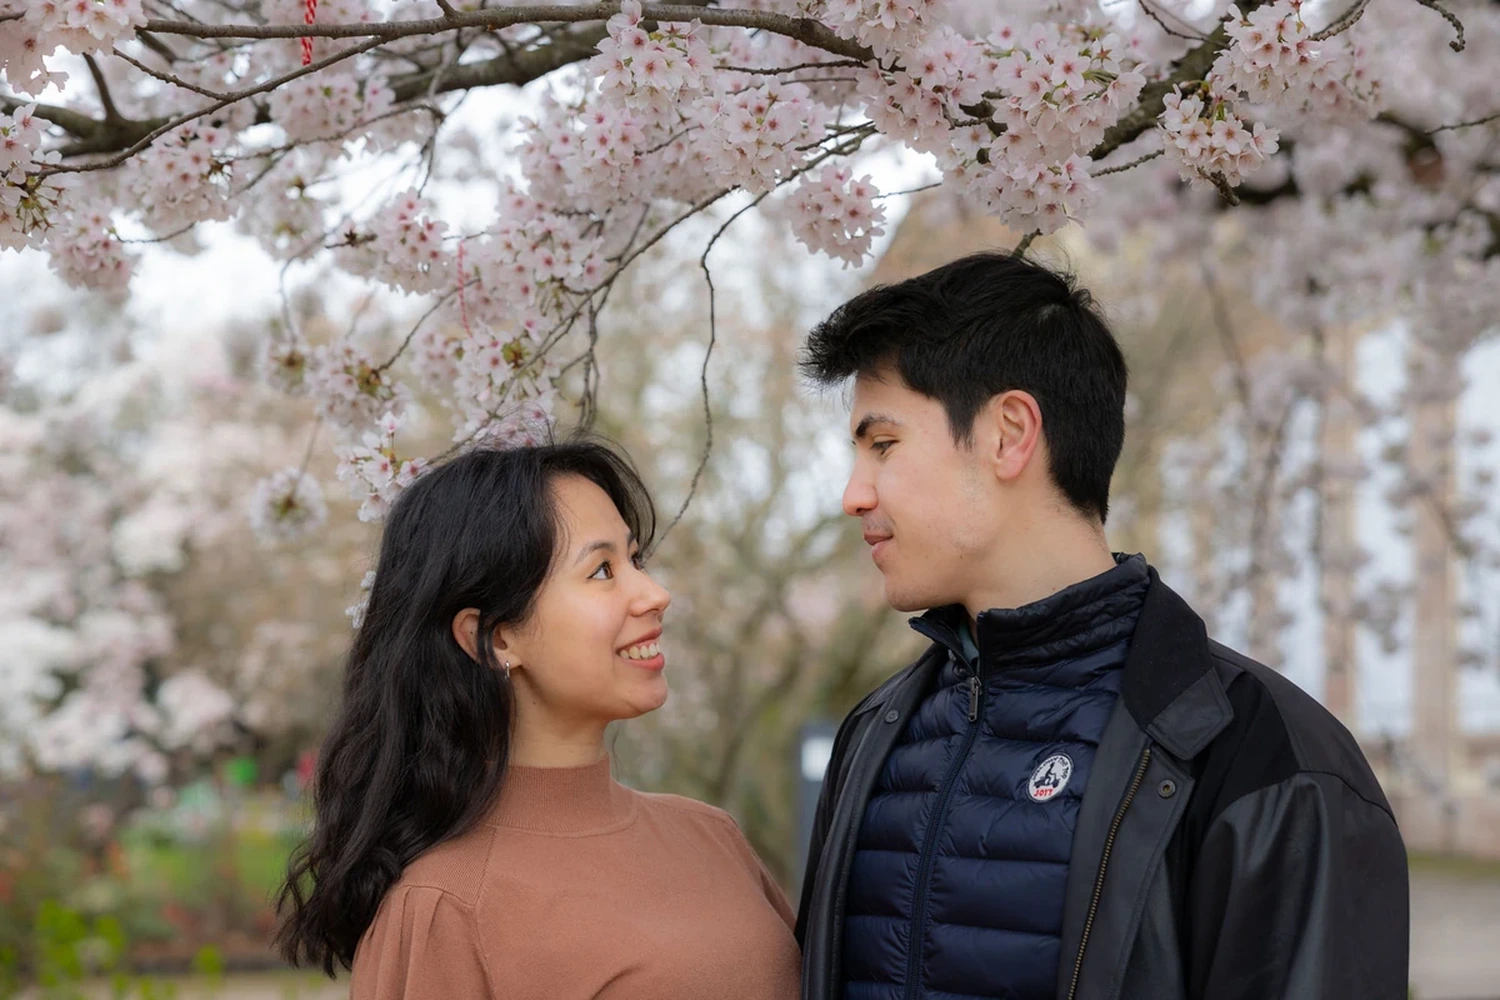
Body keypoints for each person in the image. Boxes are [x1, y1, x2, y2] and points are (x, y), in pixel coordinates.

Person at [794, 252, 1409, 1000]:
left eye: (882, 445)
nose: (854, 495)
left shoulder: (1270, 761)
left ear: (1009, 433)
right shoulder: (877, 735)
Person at [274, 439, 800, 1000]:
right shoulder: (443, 909)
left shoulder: (710, 836)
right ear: (496, 638)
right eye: (602, 570)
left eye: (636, 560)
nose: (654, 593)